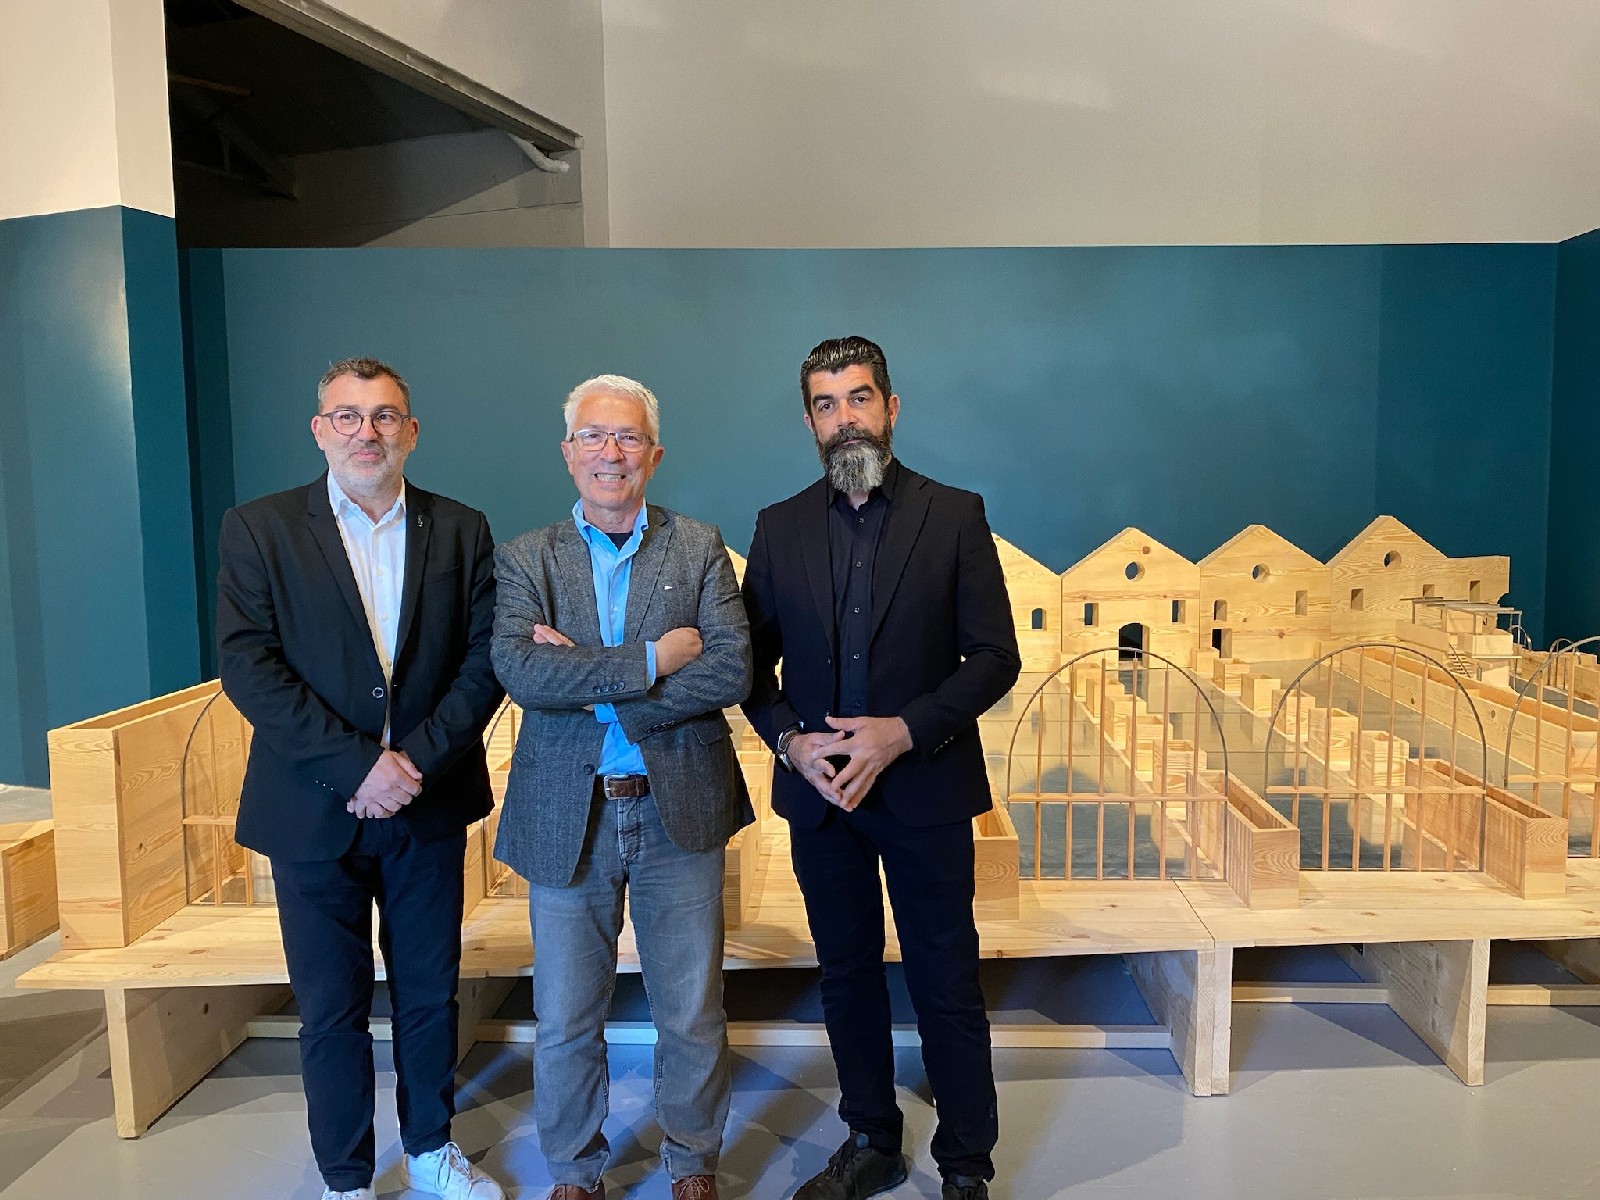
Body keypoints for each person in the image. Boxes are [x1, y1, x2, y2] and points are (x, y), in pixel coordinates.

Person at [217, 357, 506, 1200]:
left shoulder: (461, 528)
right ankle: (344, 1176)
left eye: (384, 416)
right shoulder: (259, 528)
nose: (366, 432)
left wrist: (411, 764)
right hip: (312, 809)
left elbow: (484, 660)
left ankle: (430, 1151)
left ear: (411, 431)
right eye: (347, 416)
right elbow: (249, 666)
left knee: (429, 993)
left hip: (425, 801)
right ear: (320, 431)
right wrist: (356, 767)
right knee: (330, 1007)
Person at [741, 337, 1021, 1200]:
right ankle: (871, 1138)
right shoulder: (779, 526)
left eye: (859, 398)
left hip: (925, 790)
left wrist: (903, 731)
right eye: (826, 404)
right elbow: (748, 666)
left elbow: (994, 658)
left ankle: (966, 1163)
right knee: (846, 974)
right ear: (809, 421)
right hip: (823, 799)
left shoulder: (956, 515)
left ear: (891, 408)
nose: (845, 419)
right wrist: (790, 743)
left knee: (946, 979)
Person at [491, 374, 753, 1200]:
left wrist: (590, 683)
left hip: (680, 811)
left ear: (655, 454)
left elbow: (731, 668)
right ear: (568, 452)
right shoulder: (526, 557)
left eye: (629, 437)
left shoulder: (699, 546)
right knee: (566, 1017)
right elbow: (522, 672)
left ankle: (693, 1161)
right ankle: (574, 1172)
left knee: (692, 1010)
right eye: (594, 437)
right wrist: (651, 661)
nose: (612, 452)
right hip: (566, 815)